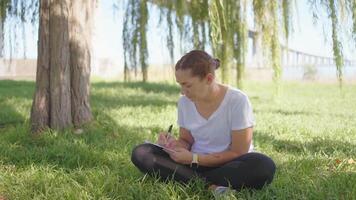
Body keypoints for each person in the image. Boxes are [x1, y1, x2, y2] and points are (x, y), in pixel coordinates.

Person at [131, 50, 276, 194]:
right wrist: (172, 145)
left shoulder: (238, 101)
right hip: (193, 163)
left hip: (227, 164)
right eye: (180, 85)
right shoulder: (184, 102)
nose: (182, 91)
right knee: (141, 152)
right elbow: (185, 140)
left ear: (209, 79)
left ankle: (190, 180)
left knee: (263, 165)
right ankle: (211, 187)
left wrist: (194, 159)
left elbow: (238, 152)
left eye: (188, 85)